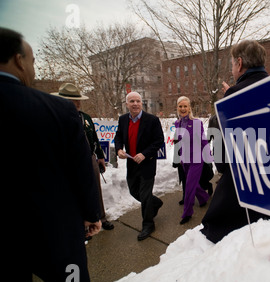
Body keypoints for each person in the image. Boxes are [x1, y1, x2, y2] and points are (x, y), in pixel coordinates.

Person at [0, 27, 101, 282]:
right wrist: (91, 214)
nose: (33, 70)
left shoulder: (78, 116)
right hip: (55, 234)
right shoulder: (56, 110)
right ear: (19, 60)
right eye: (32, 62)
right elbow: (80, 172)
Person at [201, 40, 270, 243]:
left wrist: (227, 102)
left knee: (215, 233)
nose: (232, 69)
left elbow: (223, 161)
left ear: (239, 63)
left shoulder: (234, 95)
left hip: (245, 184)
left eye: (232, 64)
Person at [51, 83, 114, 232]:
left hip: (89, 158)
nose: (78, 103)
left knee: (95, 189)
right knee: (74, 192)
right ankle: (83, 223)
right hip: (68, 161)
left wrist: (100, 157)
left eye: (79, 100)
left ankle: (100, 217)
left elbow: (94, 138)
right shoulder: (55, 118)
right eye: (74, 100)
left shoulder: (85, 118)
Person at [114, 91, 164, 240]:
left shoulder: (152, 120)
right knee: (134, 191)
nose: (135, 104)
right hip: (131, 163)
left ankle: (148, 224)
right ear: (127, 104)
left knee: (145, 194)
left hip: (147, 163)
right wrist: (119, 149)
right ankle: (155, 203)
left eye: (138, 101)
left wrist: (145, 154)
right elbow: (118, 136)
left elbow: (159, 140)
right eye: (132, 101)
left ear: (142, 103)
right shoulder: (123, 120)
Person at [174, 96, 212, 224]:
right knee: (193, 184)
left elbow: (203, 140)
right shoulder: (177, 123)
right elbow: (179, 141)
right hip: (185, 159)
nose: (183, 108)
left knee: (189, 186)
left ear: (189, 108)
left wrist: (208, 155)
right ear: (177, 108)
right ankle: (203, 197)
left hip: (196, 159)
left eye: (185, 106)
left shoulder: (196, 122)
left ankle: (187, 213)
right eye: (180, 106)